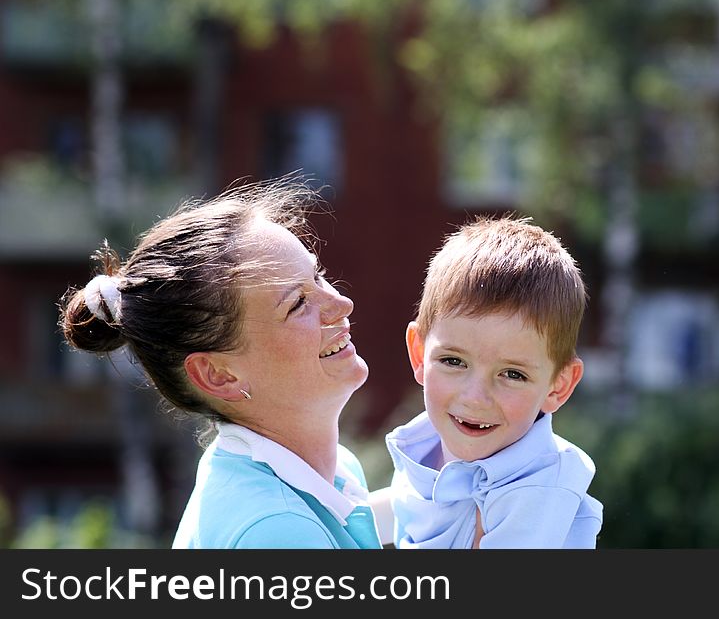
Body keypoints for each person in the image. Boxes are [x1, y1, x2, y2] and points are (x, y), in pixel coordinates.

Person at [58, 178, 381, 549]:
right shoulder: (276, 530)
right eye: (296, 303)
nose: (341, 305)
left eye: (317, 274)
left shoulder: (321, 472)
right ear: (217, 375)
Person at [383, 215, 603, 548]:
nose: (475, 397)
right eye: (453, 361)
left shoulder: (537, 491)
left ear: (558, 385)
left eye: (513, 374)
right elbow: (400, 514)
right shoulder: (421, 445)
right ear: (418, 355)